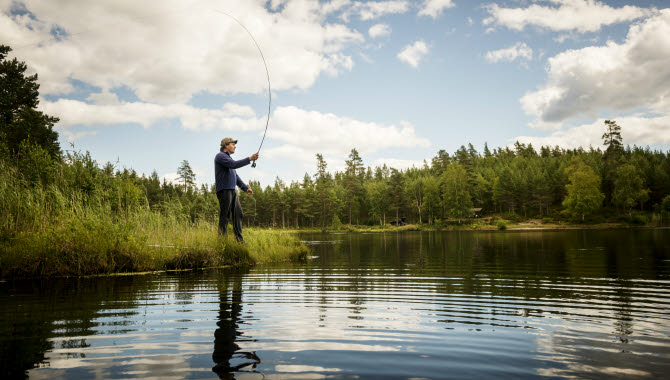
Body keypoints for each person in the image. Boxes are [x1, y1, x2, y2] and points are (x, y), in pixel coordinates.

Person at [215, 137, 259, 242]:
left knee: (238, 214)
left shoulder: (228, 159)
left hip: (231, 191)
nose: (235, 146)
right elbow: (233, 165)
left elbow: (235, 176)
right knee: (225, 216)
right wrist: (250, 158)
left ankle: (240, 241)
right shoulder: (220, 156)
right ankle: (222, 241)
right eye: (233, 144)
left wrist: (245, 188)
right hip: (224, 190)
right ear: (226, 145)